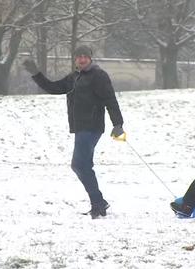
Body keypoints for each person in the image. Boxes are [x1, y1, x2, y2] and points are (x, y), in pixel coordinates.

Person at [23, 45, 125, 219]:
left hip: (91, 127)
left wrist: (118, 124)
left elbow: (110, 99)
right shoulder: (74, 77)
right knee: (84, 165)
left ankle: (98, 202)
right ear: (75, 59)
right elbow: (53, 88)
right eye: (79, 57)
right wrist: (36, 74)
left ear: (90, 58)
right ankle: (98, 203)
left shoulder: (99, 76)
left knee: (79, 165)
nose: (82, 59)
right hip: (80, 127)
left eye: (85, 56)